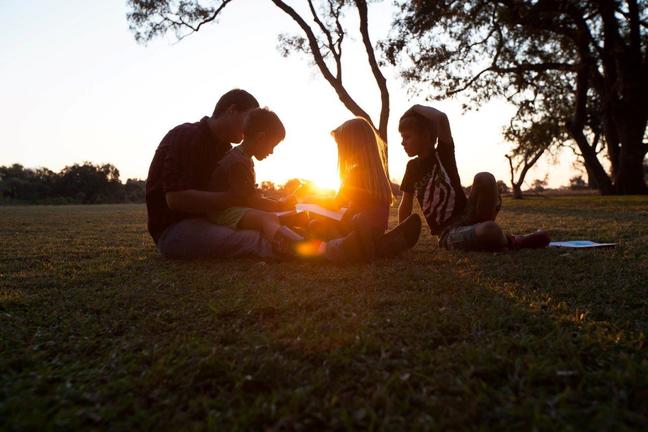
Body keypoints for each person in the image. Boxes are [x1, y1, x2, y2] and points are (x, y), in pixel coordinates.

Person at [397, 104, 550, 251]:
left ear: (425, 136)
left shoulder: (443, 154)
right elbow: (406, 204)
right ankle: (506, 239)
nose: (403, 143)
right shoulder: (412, 168)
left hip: (468, 214)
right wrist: (401, 235)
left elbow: (441, 118)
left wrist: (415, 108)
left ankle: (486, 233)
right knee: (490, 230)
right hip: (447, 233)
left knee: (485, 177)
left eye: (407, 137)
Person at [207, 107, 304, 256]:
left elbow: (250, 194)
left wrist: (278, 202)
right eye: (272, 146)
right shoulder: (237, 162)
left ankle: (291, 236)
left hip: (234, 208)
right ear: (260, 138)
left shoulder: (243, 158)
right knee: (267, 218)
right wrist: (280, 204)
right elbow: (252, 201)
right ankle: (284, 246)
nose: (271, 152)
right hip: (223, 212)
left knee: (277, 216)